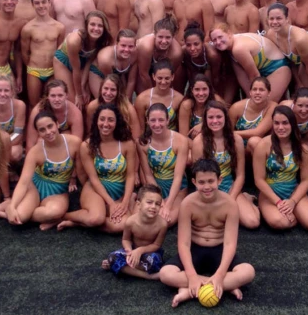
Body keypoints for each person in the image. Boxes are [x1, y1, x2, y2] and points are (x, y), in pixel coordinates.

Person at [158, 159, 256, 308]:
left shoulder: (230, 204)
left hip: (220, 249)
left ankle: (195, 288)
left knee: (248, 272)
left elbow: (230, 243)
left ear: (219, 180)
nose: (207, 186)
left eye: (211, 181)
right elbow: (184, 243)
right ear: (194, 182)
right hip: (195, 249)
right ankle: (224, 286)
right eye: (201, 182)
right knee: (165, 273)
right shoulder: (187, 204)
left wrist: (220, 274)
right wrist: (191, 276)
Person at [57, 104, 137, 233]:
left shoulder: (127, 144)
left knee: (121, 226)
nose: (106, 124)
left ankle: (78, 222)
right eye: (102, 119)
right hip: (95, 189)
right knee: (96, 219)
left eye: (111, 120)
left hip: (119, 190)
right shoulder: (87, 146)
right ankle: (63, 216)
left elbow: (130, 175)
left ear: (117, 122)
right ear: (96, 121)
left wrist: (125, 202)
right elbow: (93, 179)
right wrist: (111, 203)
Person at [0, 111, 81, 230]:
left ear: (57, 124)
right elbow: (23, 182)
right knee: (20, 216)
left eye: (50, 126)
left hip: (58, 191)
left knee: (53, 212)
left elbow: (81, 170)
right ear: (38, 133)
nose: (48, 132)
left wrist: (74, 180)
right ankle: (11, 208)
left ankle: (52, 217)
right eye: (42, 130)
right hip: (35, 187)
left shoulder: (74, 143)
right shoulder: (35, 152)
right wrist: (12, 205)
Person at [254, 106, 308, 231]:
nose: (280, 127)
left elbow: (305, 180)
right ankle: (263, 207)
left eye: (285, 123)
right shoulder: (263, 145)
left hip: (292, 191)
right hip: (270, 193)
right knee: (279, 223)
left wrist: (293, 201)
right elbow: (259, 180)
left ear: (292, 124)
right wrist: (278, 202)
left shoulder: (303, 150)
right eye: (276, 123)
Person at [191, 101, 259, 229]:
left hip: (228, 185)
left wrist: (230, 199)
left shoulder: (236, 140)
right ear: (205, 120)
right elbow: (198, 176)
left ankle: (245, 199)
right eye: (210, 117)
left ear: (225, 118)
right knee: (207, 223)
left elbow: (240, 175)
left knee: (253, 222)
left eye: (219, 117)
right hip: (207, 187)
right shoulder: (199, 142)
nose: (215, 121)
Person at [137, 104, 189, 226]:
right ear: (147, 121)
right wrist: (159, 201)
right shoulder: (142, 142)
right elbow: (148, 176)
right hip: (154, 187)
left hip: (177, 189)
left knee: (165, 221)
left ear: (167, 120)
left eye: (161, 120)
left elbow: (178, 177)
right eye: (153, 120)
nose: (157, 124)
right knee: (141, 218)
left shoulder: (180, 141)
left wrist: (168, 204)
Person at [209, 24, 290, 102]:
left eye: (220, 37)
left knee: (264, 104)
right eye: (214, 40)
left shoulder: (238, 48)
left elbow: (254, 76)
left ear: (229, 33)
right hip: (262, 71)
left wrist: (254, 98)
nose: (218, 42)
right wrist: (249, 96)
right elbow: (241, 76)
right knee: (252, 103)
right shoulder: (231, 48)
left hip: (277, 68)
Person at [103, 184, 168, 280]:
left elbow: (157, 245)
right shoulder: (130, 221)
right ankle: (149, 276)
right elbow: (126, 239)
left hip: (149, 253)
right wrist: (130, 252)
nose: (153, 206)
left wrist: (140, 251)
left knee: (155, 261)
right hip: (132, 250)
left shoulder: (162, 224)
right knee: (112, 257)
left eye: (157, 204)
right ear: (138, 204)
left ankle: (124, 267)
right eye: (149, 202)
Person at [53, 10, 111, 107]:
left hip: (83, 62)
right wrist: (78, 95)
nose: (96, 28)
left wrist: (83, 85)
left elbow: (89, 61)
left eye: (100, 26)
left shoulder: (103, 41)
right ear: (86, 26)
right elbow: (76, 70)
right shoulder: (75, 40)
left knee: (87, 99)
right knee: (74, 101)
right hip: (63, 61)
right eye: (92, 24)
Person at [21, 0, 66, 107]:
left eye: (44, 2)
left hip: (52, 70)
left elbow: (59, 52)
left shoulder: (59, 27)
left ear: (49, 3)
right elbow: (25, 53)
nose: (41, 6)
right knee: (34, 104)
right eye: (37, 3)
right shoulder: (28, 28)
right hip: (34, 71)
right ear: (32, 5)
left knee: (51, 104)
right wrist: (33, 65)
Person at [266, 1, 308, 96]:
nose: (274, 22)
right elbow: (290, 62)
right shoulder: (271, 34)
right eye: (271, 19)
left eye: (279, 18)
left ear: (287, 19)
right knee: (299, 96)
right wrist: (298, 82)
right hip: (305, 64)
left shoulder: (299, 39)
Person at [135, 15, 184, 94]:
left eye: (168, 37)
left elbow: (168, 75)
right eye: (160, 37)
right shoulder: (146, 46)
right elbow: (143, 74)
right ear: (154, 34)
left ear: (173, 36)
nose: (164, 41)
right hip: (140, 66)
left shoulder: (176, 52)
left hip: (157, 68)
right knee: (143, 92)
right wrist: (152, 95)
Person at [27, 79, 85, 145]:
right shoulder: (38, 110)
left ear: (66, 96)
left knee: (68, 135)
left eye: (60, 95)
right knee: (40, 141)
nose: (57, 99)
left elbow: (77, 142)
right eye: (53, 96)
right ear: (47, 96)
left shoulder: (74, 112)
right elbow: (30, 142)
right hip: (45, 141)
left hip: (65, 143)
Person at [230, 77, 278, 155]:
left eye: (261, 90)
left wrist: (233, 133)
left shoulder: (273, 107)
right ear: (250, 92)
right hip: (238, 147)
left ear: (269, 93)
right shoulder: (236, 108)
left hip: (261, 147)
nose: (257, 92)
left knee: (254, 141)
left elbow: (258, 132)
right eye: (254, 89)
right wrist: (232, 135)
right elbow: (227, 131)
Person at [85, 74, 141, 140]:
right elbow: (90, 132)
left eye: (113, 90)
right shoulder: (93, 107)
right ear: (101, 89)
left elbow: (136, 136)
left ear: (119, 91)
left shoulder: (128, 109)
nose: (108, 93)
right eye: (106, 88)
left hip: (122, 140)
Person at [135, 60, 184, 133]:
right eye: (160, 78)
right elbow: (141, 129)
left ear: (172, 77)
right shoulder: (142, 99)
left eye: (167, 78)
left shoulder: (179, 99)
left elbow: (182, 128)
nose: (163, 82)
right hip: (150, 138)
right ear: (154, 77)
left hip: (172, 138)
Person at [90, 29, 138, 99]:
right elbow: (110, 82)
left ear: (135, 45)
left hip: (120, 76)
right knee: (105, 100)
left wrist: (126, 100)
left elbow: (131, 80)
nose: (126, 50)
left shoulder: (135, 53)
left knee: (125, 103)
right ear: (116, 43)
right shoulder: (106, 59)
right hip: (98, 74)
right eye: (123, 45)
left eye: (130, 46)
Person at [0, 75, 26, 164]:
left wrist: (3, 146)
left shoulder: (19, 105)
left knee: (15, 153)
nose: (2, 94)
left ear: (12, 92)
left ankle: (10, 170)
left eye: (6, 90)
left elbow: (18, 134)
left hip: (12, 143)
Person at [180, 23, 221, 99]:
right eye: (188, 45)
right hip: (195, 73)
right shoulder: (184, 52)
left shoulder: (212, 55)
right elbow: (190, 73)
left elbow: (216, 77)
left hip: (214, 74)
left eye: (196, 44)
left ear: (203, 43)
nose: (192, 48)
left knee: (207, 72)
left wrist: (215, 94)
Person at [178, 74, 224, 140]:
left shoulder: (216, 101)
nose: (201, 93)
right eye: (197, 89)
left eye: (204, 89)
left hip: (215, 141)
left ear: (209, 89)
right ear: (192, 90)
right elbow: (183, 137)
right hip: (192, 144)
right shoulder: (187, 106)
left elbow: (224, 126)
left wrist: (203, 126)